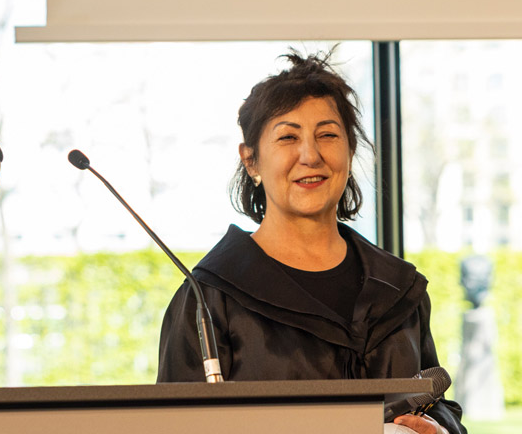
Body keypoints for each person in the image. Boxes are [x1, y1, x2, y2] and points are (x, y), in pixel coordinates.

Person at [157, 52, 464, 434]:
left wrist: (439, 427)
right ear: (251, 161)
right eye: (288, 137)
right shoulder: (209, 298)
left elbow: (433, 399)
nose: (311, 155)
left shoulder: (399, 289)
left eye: (328, 135)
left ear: (349, 151)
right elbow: (172, 425)